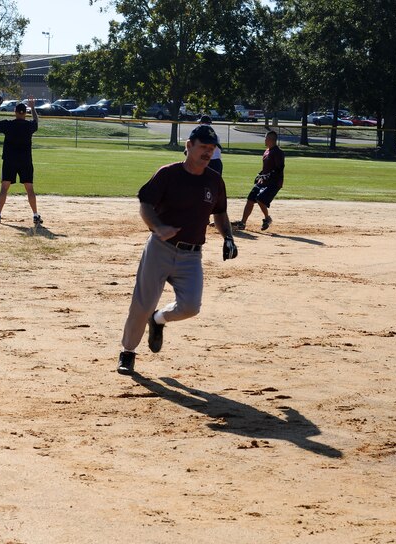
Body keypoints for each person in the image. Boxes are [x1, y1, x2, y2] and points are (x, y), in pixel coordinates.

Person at [117, 124, 238, 375]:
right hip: (161, 248)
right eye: (203, 147)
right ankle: (128, 352)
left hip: (192, 255)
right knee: (142, 304)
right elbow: (146, 204)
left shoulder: (214, 181)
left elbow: (220, 213)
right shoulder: (168, 174)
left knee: (191, 307)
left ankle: (158, 319)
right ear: (188, 146)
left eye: (212, 148)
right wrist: (158, 227)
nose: (208, 152)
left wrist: (228, 237)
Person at [0, 98, 42, 225]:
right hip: (25, 161)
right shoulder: (29, 126)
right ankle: (35, 215)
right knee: (29, 188)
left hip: (9, 160)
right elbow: (36, 121)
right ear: (25, 113)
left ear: (15, 112)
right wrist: (33, 108)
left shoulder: (9, 124)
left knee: (4, 188)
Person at [232, 130, 285, 231]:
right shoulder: (267, 151)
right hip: (263, 181)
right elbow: (266, 168)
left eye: (266, 138)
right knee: (250, 199)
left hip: (274, 183)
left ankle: (267, 219)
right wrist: (260, 174)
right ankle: (242, 223)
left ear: (271, 140)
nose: (264, 140)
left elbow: (279, 168)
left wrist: (268, 176)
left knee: (260, 199)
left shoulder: (278, 152)